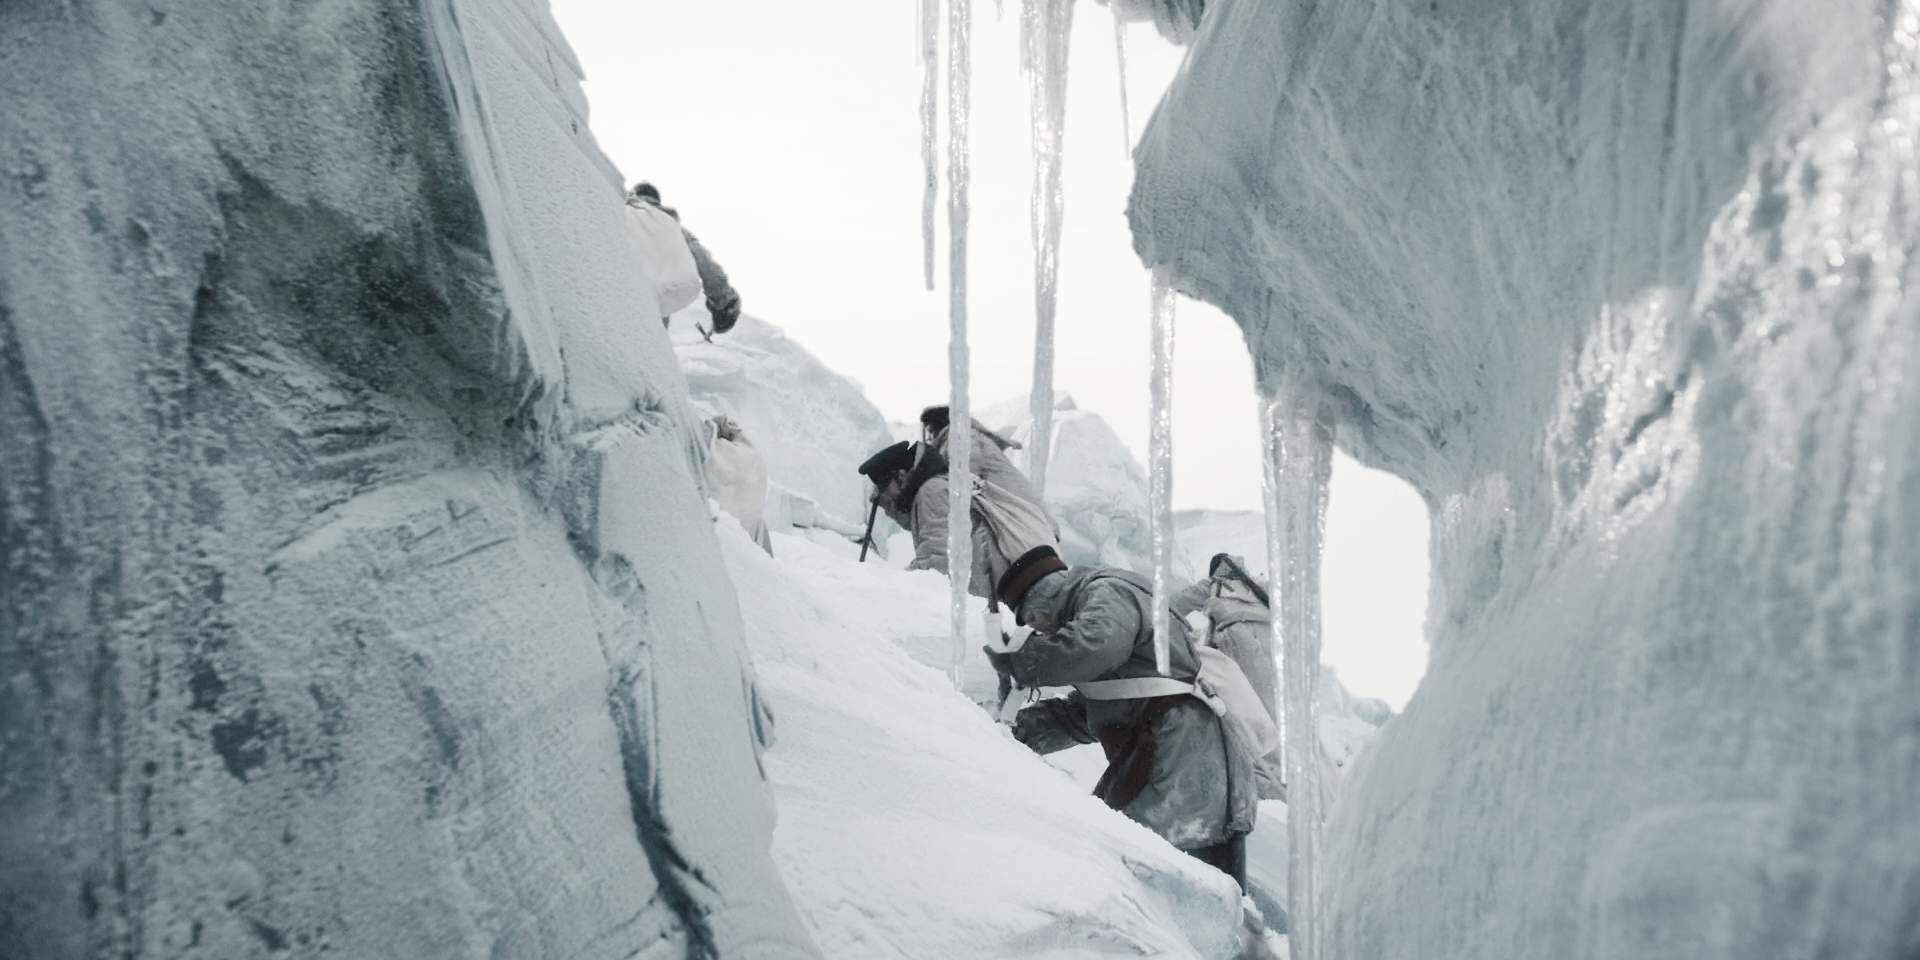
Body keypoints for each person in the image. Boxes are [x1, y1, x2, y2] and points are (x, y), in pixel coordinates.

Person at [988, 545, 1259, 885]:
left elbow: (1093, 648)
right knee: (1191, 892)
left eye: (1031, 619)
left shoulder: (1106, 592)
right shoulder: (1102, 603)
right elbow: (1090, 711)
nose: (1040, 630)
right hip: (1184, 761)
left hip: (1182, 764)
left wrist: (1021, 661)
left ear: (1044, 599)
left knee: (1151, 885)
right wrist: (1014, 733)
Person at [856, 432, 1055, 600]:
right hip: (1004, 580)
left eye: (884, 487)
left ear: (900, 475)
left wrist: (888, 586)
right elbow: (926, 523)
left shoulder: (931, 491)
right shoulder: (938, 483)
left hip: (994, 589)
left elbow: (937, 559)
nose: (883, 493)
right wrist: (888, 505)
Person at [1172, 553, 1286, 800]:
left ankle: (1264, 780)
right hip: (1268, 645)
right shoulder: (1257, 586)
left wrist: (1185, 635)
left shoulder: (1214, 584)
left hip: (1237, 642)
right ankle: (1280, 777)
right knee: (1272, 712)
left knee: (1249, 711)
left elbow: (1174, 607)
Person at [623, 182, 742, 334]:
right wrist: (724, 301)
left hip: (622, 291)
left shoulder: (624, 214)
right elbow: (703, 261)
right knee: (650, 337)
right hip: (658, 302)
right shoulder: (673, 227)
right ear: (657, 202)